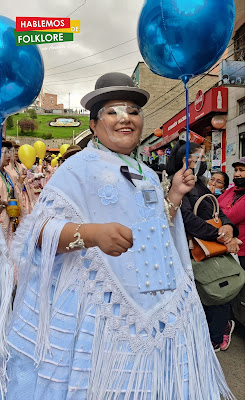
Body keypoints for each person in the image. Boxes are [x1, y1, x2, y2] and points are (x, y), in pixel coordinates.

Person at [3, 73, 235, 399]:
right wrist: (92, 234)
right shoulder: (78, 168)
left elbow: (155, 230)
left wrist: (174, 198)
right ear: (95, 124)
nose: (125, 118)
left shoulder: (148, 176)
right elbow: (38, 234)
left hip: (156, 304)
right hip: (99, 318)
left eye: (133, 111)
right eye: (113, 111)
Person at [166, 141, 241, 353]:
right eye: (200, 157)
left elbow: (215, 208)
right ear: (184, 160)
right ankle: (209, 336)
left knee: (218, 290)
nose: (204, 162)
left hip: (212, 247)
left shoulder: (200, 182)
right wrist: (219, 236)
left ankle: (216, 334)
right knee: (206, 292)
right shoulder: (176, 183)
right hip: (193, 251)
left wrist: (227, 227)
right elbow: (187, 218)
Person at [218, 157, 245, 270]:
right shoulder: (231, 190)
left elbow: (230, 216)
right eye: (235, 170)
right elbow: (214, 207)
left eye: (241, 170)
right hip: (227, 246)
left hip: (242, 250)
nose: (237, 174)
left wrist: (221, 211)